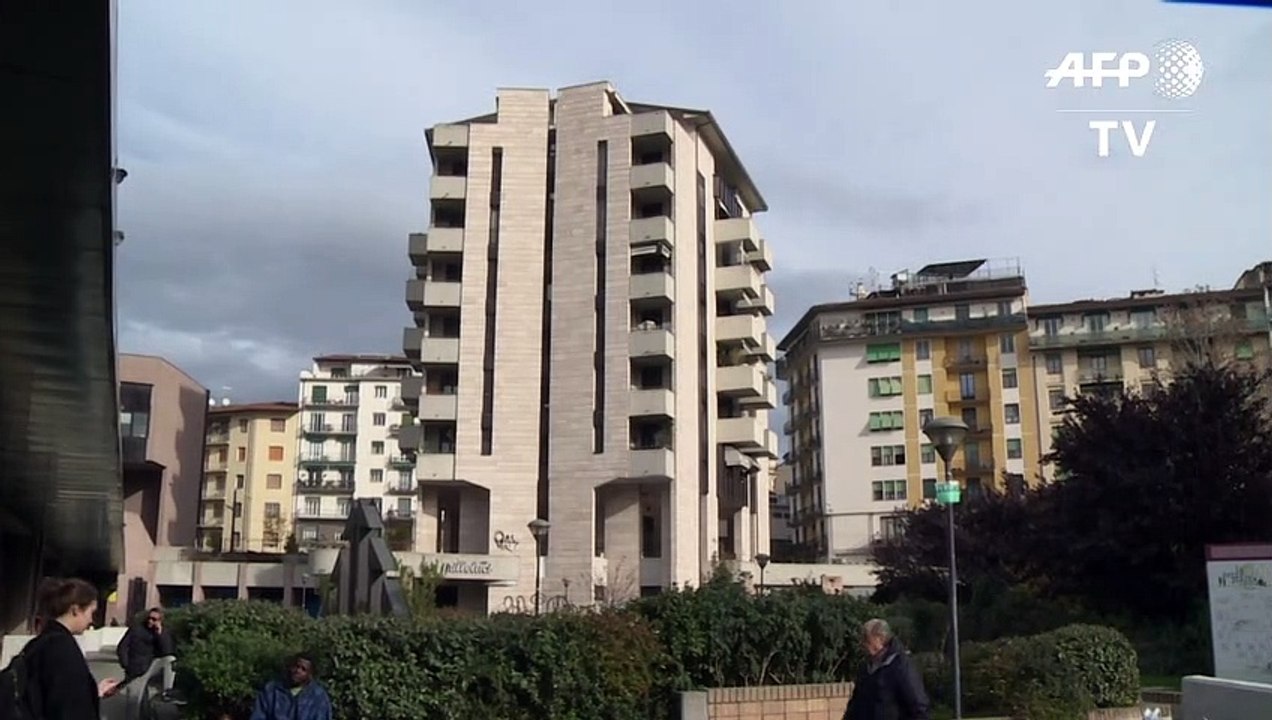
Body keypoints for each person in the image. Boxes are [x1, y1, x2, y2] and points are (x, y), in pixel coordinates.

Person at [22, 578, 122, 720]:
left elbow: (52, 692)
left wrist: (94, 691)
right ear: (75, 610)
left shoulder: (41, 642)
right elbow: (68, 707)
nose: (91, 620)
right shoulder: (62, 648)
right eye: (90, 612)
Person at [843, 618, 930, 720]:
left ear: (879, 638)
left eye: (866, 639)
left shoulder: (901, 666)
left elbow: (918, 705)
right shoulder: (865, 668)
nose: (862, 643)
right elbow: (855, 705)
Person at [117, 606, 183, 719]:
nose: (150, 621)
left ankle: (167, 692)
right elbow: (122, 647)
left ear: (160, 621)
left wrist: (160, 633)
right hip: (136, 667)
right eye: (149, 618)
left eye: (154, 619)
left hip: (152, 664)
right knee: (134, 700)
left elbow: (167, 651)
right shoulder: (136, 629)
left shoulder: (161, 632)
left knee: (170, 659)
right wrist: (126, 665)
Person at [248, 654, 332, 720]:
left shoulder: (318, 697)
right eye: (296, 666)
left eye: (303, 669)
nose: (298, 671)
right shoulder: (271, 690)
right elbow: (258, 716)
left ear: (310, 675)